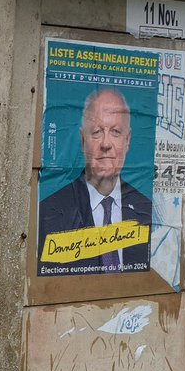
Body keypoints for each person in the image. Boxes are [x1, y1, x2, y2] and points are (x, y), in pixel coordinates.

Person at [38, 87, 151, 275]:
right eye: (97, 132)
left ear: (128, 140)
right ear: (83, 140)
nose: (106, 144)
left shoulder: (147, 208)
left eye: (115, 132)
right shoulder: (49, 212)